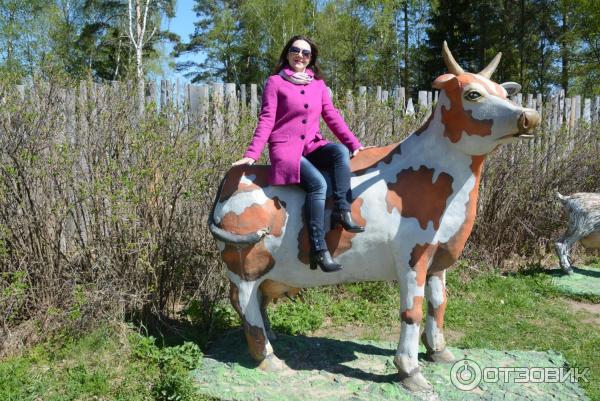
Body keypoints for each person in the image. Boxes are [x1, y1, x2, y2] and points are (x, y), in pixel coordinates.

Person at [232, 35, 366, 273]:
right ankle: (318, 248)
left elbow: (332, 116)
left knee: (339, 152)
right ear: (287, 54)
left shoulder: (318, 85)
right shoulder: (275, 83)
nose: (300, 56)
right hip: (285, 149)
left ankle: (342, 211)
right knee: (318, 184)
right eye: (296, 50)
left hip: (312, 146)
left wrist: (354, 144)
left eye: (306, 53)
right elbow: (266, 119)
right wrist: (252, 153)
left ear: (311, 58)